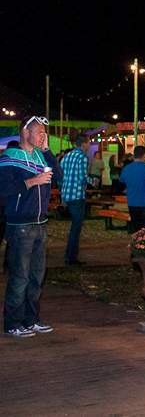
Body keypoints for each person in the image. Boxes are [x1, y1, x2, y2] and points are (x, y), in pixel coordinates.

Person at [0, 116, 63, 337]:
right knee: (20, 277)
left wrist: (47, 150)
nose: (43, 136)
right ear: (25, 133)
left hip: (40, 224)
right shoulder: (9, 157)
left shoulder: (39, 155)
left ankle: (31, 319)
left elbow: (59, 175)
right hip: (20, 225)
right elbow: (3, 189)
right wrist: (32, 181)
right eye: (39, 132)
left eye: (44, 132)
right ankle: (12, 323)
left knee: (36, 277)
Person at [60, 133, 97, 266]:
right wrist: (93, 181)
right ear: (84, 144)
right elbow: (83, 177)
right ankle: (71, 256)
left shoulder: (66, 156)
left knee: (74, 226)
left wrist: (62, 193)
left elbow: (60, 176)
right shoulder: (82, 157)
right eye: (89, 143)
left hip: (67, 194)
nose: (89, 145)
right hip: (77, 195)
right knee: (76, 227)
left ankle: (70, 254)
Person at [120, 145, 145, 232]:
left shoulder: (126, 169)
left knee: (136, 229)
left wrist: (129, 191)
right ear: (144, 155)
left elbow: (120, 187)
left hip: (132, 203)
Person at [1, 140, 20, 274]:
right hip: (9, 206)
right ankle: (8, 267)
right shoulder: (16, 166)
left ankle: (8, 267)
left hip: (4, 205)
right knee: (11, 239)